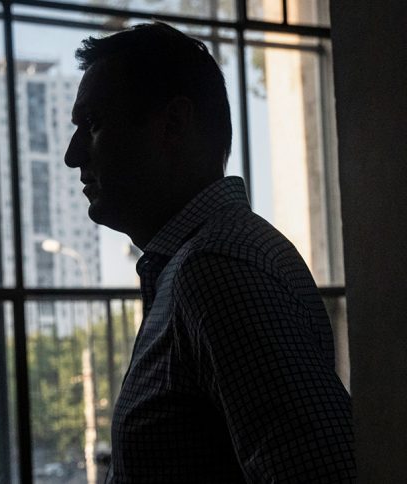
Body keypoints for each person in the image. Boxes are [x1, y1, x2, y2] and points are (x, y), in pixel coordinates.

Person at [64, 22, 356, 483]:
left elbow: (323, 473)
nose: (73, 154)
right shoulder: (201, 263)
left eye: (93, 123)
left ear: (173, 125)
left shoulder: (217, 270)